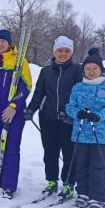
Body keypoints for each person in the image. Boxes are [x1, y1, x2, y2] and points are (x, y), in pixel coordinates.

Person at [24, 36, 83, 199]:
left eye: (66, 51)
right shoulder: (46, 71)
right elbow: (39, 93)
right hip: (48, 117)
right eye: (60, 50)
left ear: (71, 52)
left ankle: (69, 184)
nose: (63, 54)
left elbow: (80, 95)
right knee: (50, 152)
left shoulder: (77, 70)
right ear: (54, 52)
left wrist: (72, 115)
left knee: (69, 152)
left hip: (68, 119)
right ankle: (51, 181)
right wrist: (31, 109)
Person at [64, 48, 105, 208]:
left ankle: (98, 196)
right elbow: (70, 105)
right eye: (88, 69)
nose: (91, 72)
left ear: (101, 70)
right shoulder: (78, 87)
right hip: (81, 134)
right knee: (81, 165)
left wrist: (99, 115)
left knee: (97, 166)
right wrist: (76, 113)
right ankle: (83, 193)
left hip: (100, 135)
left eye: (94, 68)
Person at [0, 29, 32, 199]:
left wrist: (14, 106)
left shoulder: (20, 62)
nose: (0, 44)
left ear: (9, 43)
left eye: (3, 41)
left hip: (13, 113)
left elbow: (26, 87)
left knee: (11, 148)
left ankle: (9, 185)